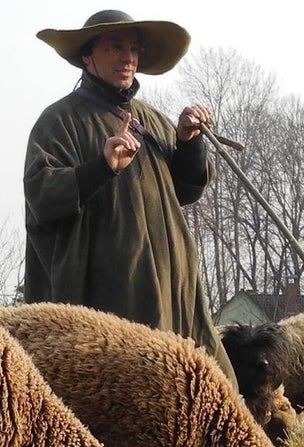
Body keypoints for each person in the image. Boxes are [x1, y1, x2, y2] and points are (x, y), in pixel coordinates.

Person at [25, 10, 238, 390]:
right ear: (88, 56)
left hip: (173, 287)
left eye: (134, 49)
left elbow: (188, 190)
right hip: (108, 295)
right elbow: (42, 195)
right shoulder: (59, 120)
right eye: (116, 47)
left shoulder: (152, 120)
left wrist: (189, 143)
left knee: (207, 392)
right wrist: (101, 167)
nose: (128, 58)